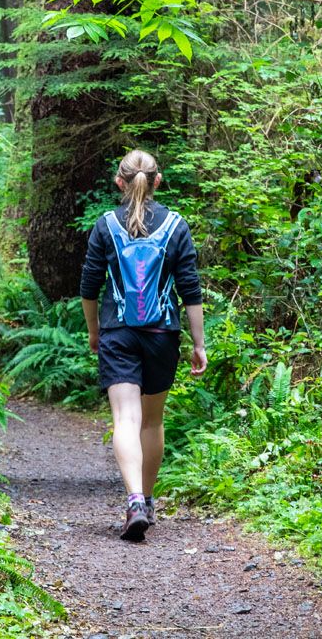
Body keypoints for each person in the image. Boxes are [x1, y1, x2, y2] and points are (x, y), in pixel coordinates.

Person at [80, 149, 207, 542]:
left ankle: (133, 499)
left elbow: (89, 285)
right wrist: (199, 343)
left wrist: (95, 331)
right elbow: (190, 289)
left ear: (119, 182)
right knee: (152, 421)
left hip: (118, 332)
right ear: (158, 180)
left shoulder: (104, 225)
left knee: (125, 421)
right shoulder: (175, 225)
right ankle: (148, 500)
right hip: (162, 335)